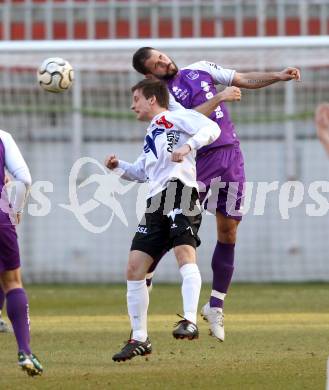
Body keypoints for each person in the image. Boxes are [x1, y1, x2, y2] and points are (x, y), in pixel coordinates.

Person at [132, 47, 301, 341]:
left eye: (161, 55)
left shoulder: (200, 68)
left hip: (230, 155)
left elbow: (241, 78)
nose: (163, 61)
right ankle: (145, 272)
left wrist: (278, 76)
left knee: (229, 231)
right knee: (176, 222)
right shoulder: (163, 98)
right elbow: (190, 121)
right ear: (150, 75)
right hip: (197, 161)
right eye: (155, 64)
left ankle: (215, 305)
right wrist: (220, 97)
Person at [106, 79, 220, 362]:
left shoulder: (176, 116)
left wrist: (188, 147)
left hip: (181, 192)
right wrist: (118, 166)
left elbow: (212, 128)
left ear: (152, 99)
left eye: (136, 98)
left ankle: (190, 319)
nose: (133, 104)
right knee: (134, 268)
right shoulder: (153, 131)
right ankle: (139, 338)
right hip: (156, 201)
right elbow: (142, 173)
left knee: (184, 253)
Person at [0, 129, 43, 376]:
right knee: (12, 282)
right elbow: (25, 179)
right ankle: (25, 351)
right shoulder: (3, 136)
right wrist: (16, 208)